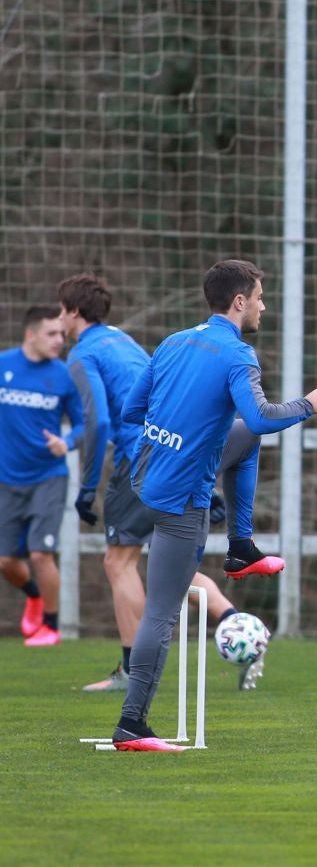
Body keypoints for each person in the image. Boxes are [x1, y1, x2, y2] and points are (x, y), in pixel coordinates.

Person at [109, 259, 317, 751]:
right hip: (180, 500)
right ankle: (132, 724)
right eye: (259, 296)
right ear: (239, 302)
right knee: (161, 614)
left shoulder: (173, 341)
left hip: (147, 477)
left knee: (243, 440)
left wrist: (178, 429)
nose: (263, 305)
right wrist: (308, 404)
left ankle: (240, 547)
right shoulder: (238, 355)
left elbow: (131, 411)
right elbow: (261, 415)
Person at [58, 273, 271, 691]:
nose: (59, 322)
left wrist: (86, 489)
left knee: (119, 562)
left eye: (60, 313)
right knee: (169, 567)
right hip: (180, 454)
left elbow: (100, 420)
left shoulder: (83, 353)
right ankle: (239, 626)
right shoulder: (121, 339)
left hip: (143, 460)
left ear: (74, 313)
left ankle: (131, 671)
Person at [1, 305, 85, 646]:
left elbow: (84, 426)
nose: (59, 341)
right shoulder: (3, 365)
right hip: (7, 480)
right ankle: (34, 596)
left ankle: (51, 626)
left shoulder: (64, 375)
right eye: (51, 334)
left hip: (49, 477)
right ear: (31, 334)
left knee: (40, 554)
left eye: (62, 335)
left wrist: (65, 443)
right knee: (6, 561)